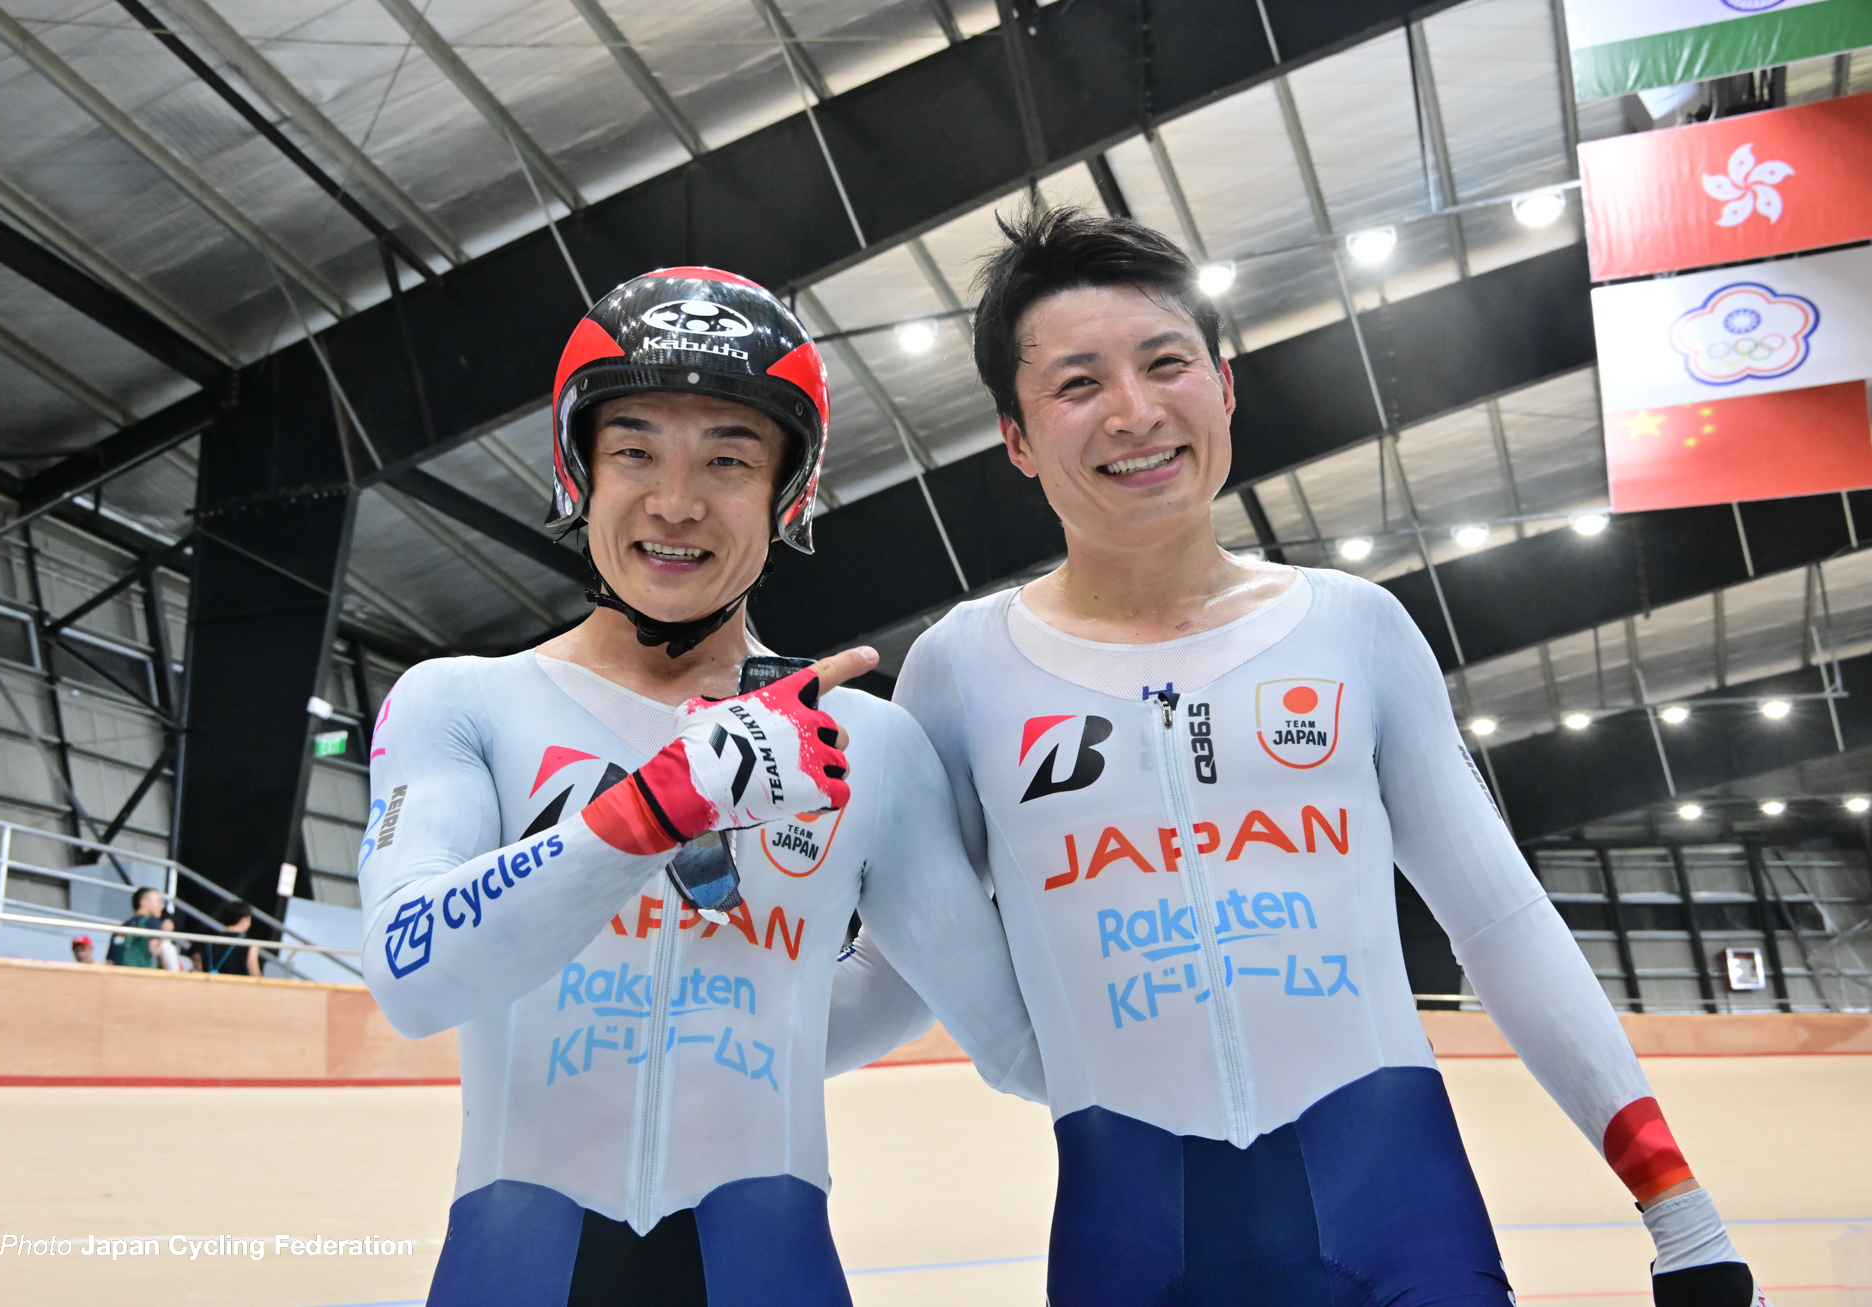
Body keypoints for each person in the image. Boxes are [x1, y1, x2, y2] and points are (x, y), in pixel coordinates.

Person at [892, 208, 1765, 1307]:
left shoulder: (1351, 627)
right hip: (1131, 1239)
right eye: (1076, 385)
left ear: (1224, 383)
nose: (1134, 412)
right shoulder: (961, 669)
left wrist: (1682, 1215)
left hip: (1395, 1217)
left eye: (1167, 363)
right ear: (1015, 438)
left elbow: (1499, 922)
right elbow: (899, 958)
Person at [358, 266, 1042, 1307]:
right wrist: (649, 813)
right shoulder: (460, 703)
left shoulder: (867, 742)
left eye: (727, 458)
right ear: (578, 468)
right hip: (521, 1265)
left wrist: (758, 1035)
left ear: (787, 491)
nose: (675, 501)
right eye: (634, 449)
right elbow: (413, 978)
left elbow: (1003, 1035)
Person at [198, 900, 260, 978]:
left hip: (211, 987)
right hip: (236, 988)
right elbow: (254, 973)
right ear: (244, 920)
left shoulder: (209, 942)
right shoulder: (249, 944)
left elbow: (200, 969)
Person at [107, 887, 165, 968]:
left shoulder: (122, 927)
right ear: (144, 902)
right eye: (158, 901)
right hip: (138, 975)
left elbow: (109, 961)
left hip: (117, 975)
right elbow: (154, 949)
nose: (161, 906)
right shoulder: (152, 922)